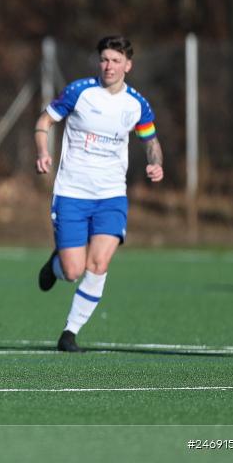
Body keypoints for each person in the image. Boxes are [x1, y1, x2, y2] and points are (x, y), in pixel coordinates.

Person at [34, 36, 163, 352]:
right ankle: (55, 266)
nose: (109, 66)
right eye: (104, 59)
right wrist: (42, 151)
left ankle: (69, 333)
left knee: (100, 263)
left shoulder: (136, 104)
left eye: (116, 61)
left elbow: (151, 141)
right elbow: (44, 121)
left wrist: (155, 163)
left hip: (111, 195)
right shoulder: (80, 92)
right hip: (72, 193)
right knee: (73, 270)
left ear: (127, 66)